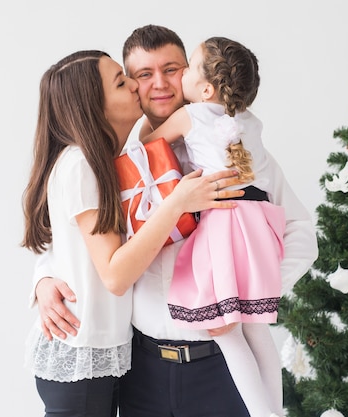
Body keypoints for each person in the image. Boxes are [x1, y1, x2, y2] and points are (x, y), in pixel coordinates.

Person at [32, 25, 319, 417]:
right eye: (143, 75)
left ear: (194, 77)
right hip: (140, 368)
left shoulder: (235, 150)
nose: (160, 84)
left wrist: (242, 296)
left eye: (171, 69)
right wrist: (44, 279)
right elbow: (72, 239)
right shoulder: (114, 162)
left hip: (219, 363)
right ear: (129, 85)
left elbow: (301, 232)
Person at [21, 49, 243, 417]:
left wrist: (244, 297)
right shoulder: (82, 165)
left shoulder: (207, 146)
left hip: (123, 358)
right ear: (94, 104)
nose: (141, 87)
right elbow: (113, 273)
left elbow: (74, 247)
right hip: (88, 356)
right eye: (124, 81)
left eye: (171, 70)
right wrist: (177, 203)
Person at [141, 36, 285, 417]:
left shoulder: (192, 115)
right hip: (258, 226)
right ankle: (273, 412)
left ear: (205, 88)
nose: (182, 73)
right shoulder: (252, 122)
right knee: (256, 328)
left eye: (187, 66)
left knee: (225, 331)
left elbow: (147, 146)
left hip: (223, 227)